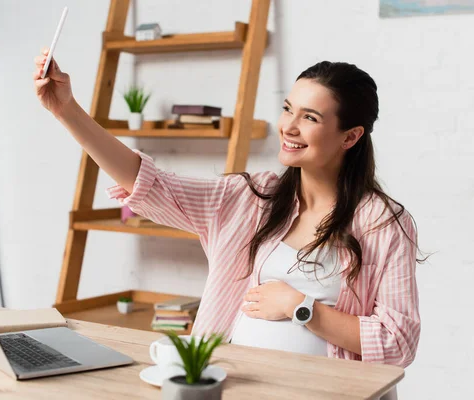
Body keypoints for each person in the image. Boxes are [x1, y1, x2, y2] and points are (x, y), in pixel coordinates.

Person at [33, 49, 421, 378]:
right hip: (233, 386)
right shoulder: (251, 198)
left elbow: (398, 342)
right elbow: (151, 183)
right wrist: (67, 111)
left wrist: (299, 307)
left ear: (350, 136)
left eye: (310, 118)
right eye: (288, 109)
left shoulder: (384, 224)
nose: (289, 126)